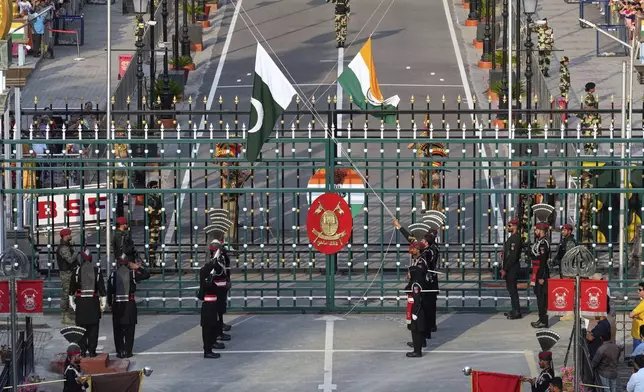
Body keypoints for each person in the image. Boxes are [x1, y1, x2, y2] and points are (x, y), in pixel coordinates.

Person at [107, 254, 150, 359]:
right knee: (129, 330)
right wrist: (138, 267)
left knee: (118, 330)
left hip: (117, 304)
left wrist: (110, 304)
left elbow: (109, 292)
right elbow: (147, 274)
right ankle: (128, 351)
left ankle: (120, 351)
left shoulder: (113, 275)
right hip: (129, 304)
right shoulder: (132, 274)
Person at [69, 249, 106, 358]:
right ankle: (92, 350)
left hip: (81, 302)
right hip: (93, 302)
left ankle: (82, 350)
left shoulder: (76, 271)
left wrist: (72, 303)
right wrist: (102, 305)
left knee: (81, 328)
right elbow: (102, 290)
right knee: (94, 328)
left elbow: (72, 290)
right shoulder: (97, 271)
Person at [198, 246, 227, 359]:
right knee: (207, 328)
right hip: (208, 305)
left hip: (212, 304)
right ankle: (207, 350)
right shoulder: (205, 277)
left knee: (212, 326)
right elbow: (211, 287)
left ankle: (210, 346)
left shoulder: (208, 274)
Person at [530, 223, 551, 329]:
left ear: (540, 230)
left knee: (542, 298)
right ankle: (541, 318)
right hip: (536, 271)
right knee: (539, 296)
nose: (535, 232)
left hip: (541, 272)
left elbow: (543, 260)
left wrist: (542, 276)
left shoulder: (543, 243)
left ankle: (543, 320)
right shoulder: (539, 242)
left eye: (536, 230)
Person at [57, 227, 78, 326]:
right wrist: (76, 253)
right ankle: (64, 316)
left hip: (70, 272)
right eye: (69, 234)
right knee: (66, 294)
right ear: (65, 235)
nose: (71, 236)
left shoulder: (67, 246)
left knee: (70, 293)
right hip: (66, 273)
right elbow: (69, 260)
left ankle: (69, 314)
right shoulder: (63, 248)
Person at [502, 218, 523, 319]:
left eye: (509, 226)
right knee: (510, 289)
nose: (508, 227)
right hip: (509, 267)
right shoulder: (512, 238)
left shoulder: (516, 239)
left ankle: (517, 311)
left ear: (515, 226)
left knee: (513, 289)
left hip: (512, 268)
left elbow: (513, 256)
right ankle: (514, 309)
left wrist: (505, 269)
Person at [210, 240, 232, 334]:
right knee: (218, 308)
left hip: (222, 287)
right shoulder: (214, 261)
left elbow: (226, 268)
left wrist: (227, 280)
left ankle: (220, 325)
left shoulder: (221, 258)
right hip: (218, 289)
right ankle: (218, 328)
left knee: (221, 307)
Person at [61, 326, 90, 392]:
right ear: (73, 357)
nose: (81, 357)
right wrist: (81, 382)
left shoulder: (77, 368)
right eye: (79, 356)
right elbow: (72, 389)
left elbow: (86, 386)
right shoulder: (70, 371)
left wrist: (84, 381)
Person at [423, 233, 439, 333]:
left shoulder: (428, 251)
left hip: (429, 279)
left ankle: (429, 325)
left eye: (424, 241)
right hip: (433, 279)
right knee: (432, 303)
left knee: (428, 304)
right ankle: (432, 324)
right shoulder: (435, 248)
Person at [405, 282, 425, 358]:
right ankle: (417, 347)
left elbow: (417, 300)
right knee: (417, 330)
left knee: (416, 331)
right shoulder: (416, 284)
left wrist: (415, 313)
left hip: (416, 311)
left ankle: (417, 351)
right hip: (417, 310)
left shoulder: (416, 285)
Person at [581, 82, 601, 154]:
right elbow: (588, 107)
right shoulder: (588, 96)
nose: (594, 89)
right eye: (593, 87)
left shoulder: (590, 95)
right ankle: (589, 151)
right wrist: (595, 109)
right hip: (590, 119)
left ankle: (590, 151)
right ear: (591, 89)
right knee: (590, 135)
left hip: (592, 118)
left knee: (592, 135)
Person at [630, 282, 644, 352]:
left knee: (638, 356)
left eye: (640, 290)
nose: (638, 291)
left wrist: (635, 316)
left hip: (639, 334)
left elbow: (631, 314)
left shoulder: (643, 303)